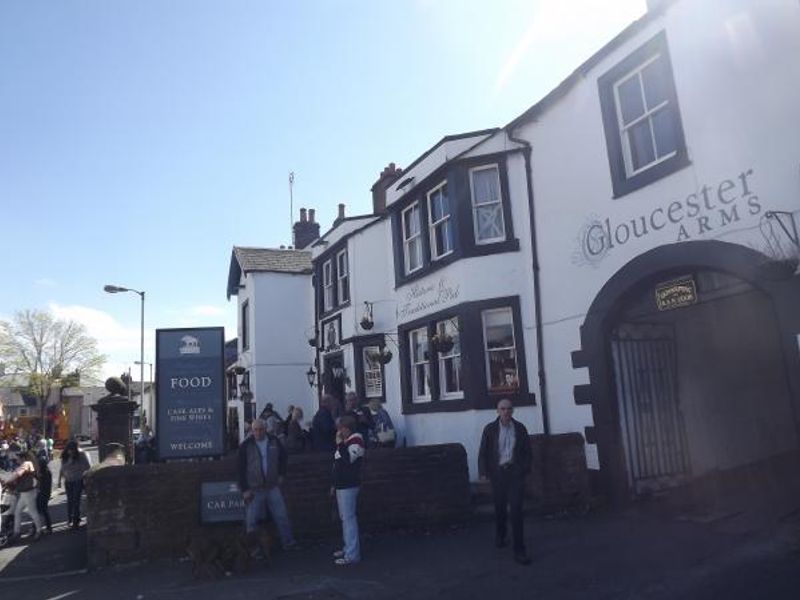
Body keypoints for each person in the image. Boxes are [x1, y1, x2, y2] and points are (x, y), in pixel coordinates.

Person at [478, 398, 532, 566]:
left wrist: (523, 470)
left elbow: (527, 452)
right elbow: (484, 452)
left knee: (516, 511)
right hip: (498, 474)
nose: (506, 412)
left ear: (513, 411)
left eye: (509, 409)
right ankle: (500, 535)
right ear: (497, 411)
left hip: (515, 474)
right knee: (500, 508)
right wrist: (483, 472)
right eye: (503, 409)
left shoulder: (520, 429)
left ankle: (519, 550)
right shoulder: (490, 429)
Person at [237, 418, 296, 550]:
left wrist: (282, 474)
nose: (258, 432)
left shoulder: (274, 441)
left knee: (282, 516)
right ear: (252, 431)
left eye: (260, 429)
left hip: (272, 486)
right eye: (255, 430)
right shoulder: (246, 445)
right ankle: (252, 549)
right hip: (254, 488)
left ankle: (288, 542)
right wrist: (245, 489)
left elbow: (283, 458)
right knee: (251, 521)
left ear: (265, 429)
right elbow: (240, 468)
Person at [331, 414, 365, 565]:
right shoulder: (347, 442)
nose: (338, 432)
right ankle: (348, 548)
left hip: (349, 484)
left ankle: (352, 554)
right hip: (342, 484)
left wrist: (340, 444)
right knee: (345, 518)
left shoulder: (356, 441)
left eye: (340, 429)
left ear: (347, 428)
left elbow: (348, 459)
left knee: (349, 519)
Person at [0, 445, 43, 541]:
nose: (17, 460)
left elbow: (17, 474)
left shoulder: (27, 463)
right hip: (25, 492)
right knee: (18, 511)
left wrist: (7, 480)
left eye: (18, 458)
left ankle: (39, 531)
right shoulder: (26, 464)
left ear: (22, 458)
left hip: (28, 492)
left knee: (32, 511)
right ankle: (17, 532)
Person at [58, 440, 91, 529]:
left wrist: (85, 477)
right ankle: (70, 519)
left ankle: (75, 520)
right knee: (70, 500)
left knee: (76, 500)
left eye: (72, 449)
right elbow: (62, 468)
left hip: (78, 480)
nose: (70, 451)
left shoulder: (81, 455)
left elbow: (88, 467)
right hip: (68, 480)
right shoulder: (65, 456)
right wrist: (59, 481)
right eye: (69, 449)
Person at [35, 448, 53, 534]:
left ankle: (48, 528)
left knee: (42, 509)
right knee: (39, 509)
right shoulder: (45, 471)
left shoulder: (45, 473)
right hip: (43, 492)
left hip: (44, 493)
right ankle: (38, 527)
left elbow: (43, 484)